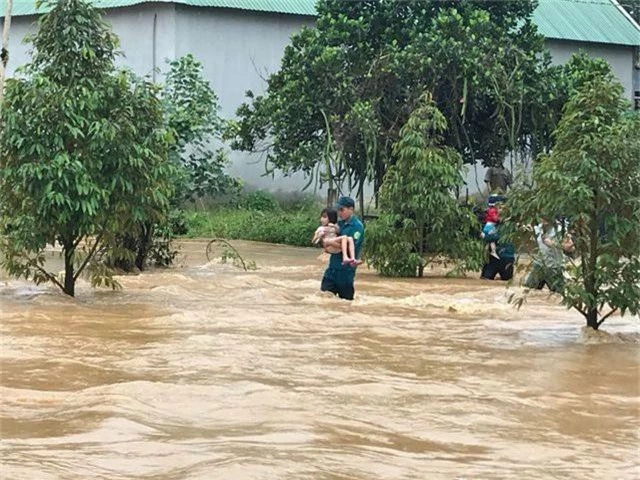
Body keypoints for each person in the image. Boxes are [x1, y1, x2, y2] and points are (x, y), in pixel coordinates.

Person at [320, 196, 365, 301]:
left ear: (351, 209)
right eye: (338, 210)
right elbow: (327, 246)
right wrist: (325, 242)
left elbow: (350, 249)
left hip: (345, 272)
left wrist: (330, 242)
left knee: (346, 304)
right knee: (323, 300)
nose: (339, 213)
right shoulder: (338, 224)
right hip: (331, 270)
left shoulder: (357, 227)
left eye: (342, 210)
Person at [524, 216, 565, 292]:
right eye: (542, 217)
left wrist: (553, 244)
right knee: (528, 290)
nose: (544, 219)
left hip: (554, 267)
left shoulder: (560, 230)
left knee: (559, 295)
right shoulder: (539, 227)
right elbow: (534, 233)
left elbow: (570, 248)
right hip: (539, 265)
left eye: (547, 216)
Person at [480, 204, 515, 281]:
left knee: (488, 279)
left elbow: (496, 237)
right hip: (497, 258)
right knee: (485, 279)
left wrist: (484, 237)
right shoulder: (494, 225)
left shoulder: (509, 226)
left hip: (504, 257)